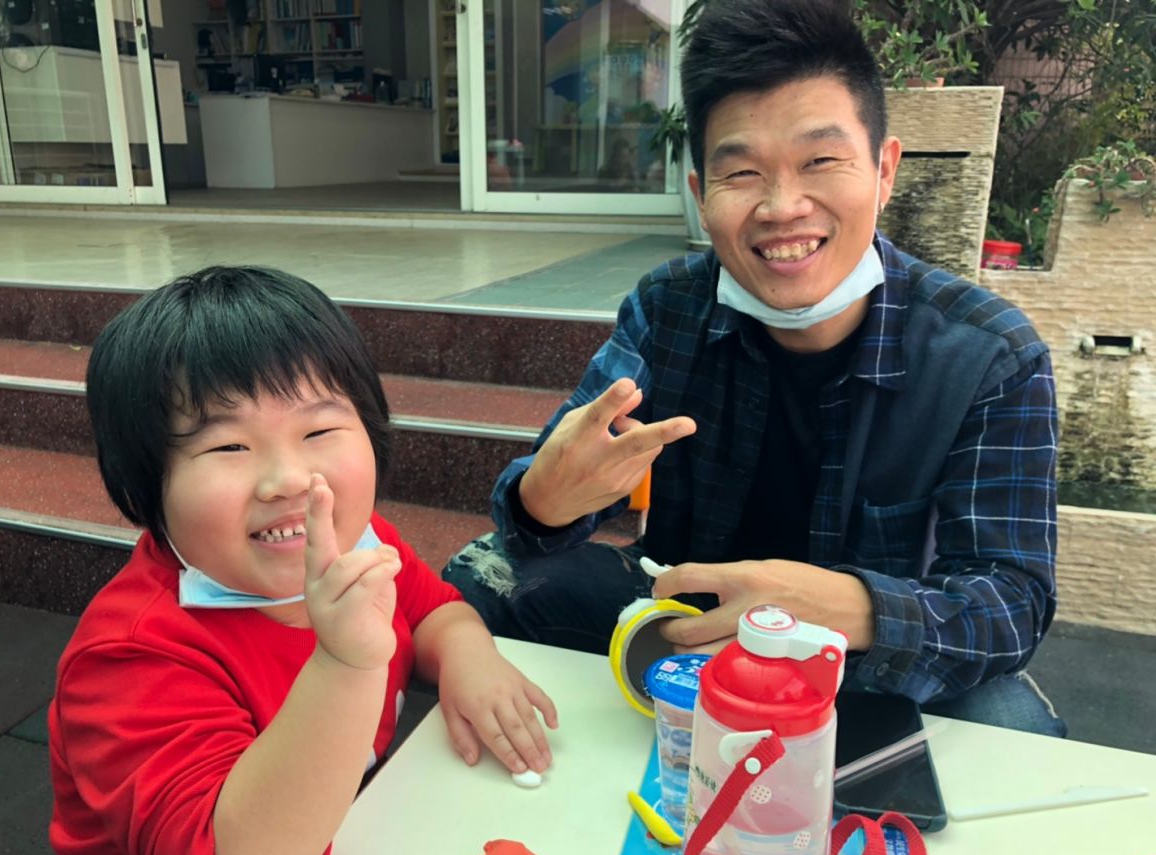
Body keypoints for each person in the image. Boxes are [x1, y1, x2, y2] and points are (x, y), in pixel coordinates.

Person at [444, 0, 1065, 737]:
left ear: (884, 171)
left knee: (1015, 723)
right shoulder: (670, 307)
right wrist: (543, 501)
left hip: (869, 658)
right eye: (742, 172)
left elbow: (1012, 601)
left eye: (820, 161)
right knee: (482, 578)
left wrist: (848, 606)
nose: (782, 207)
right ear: (701, 194)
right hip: (689, 631)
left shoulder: (988, 354)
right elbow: (552, 491)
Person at [49, 267, 558, 855]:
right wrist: (344, 663)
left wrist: (468, 655)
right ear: (144, 482)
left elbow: (434, 611)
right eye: (229, 448)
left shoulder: (359, 544)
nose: (289, 479)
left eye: (318, 431)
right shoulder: (129, 658)